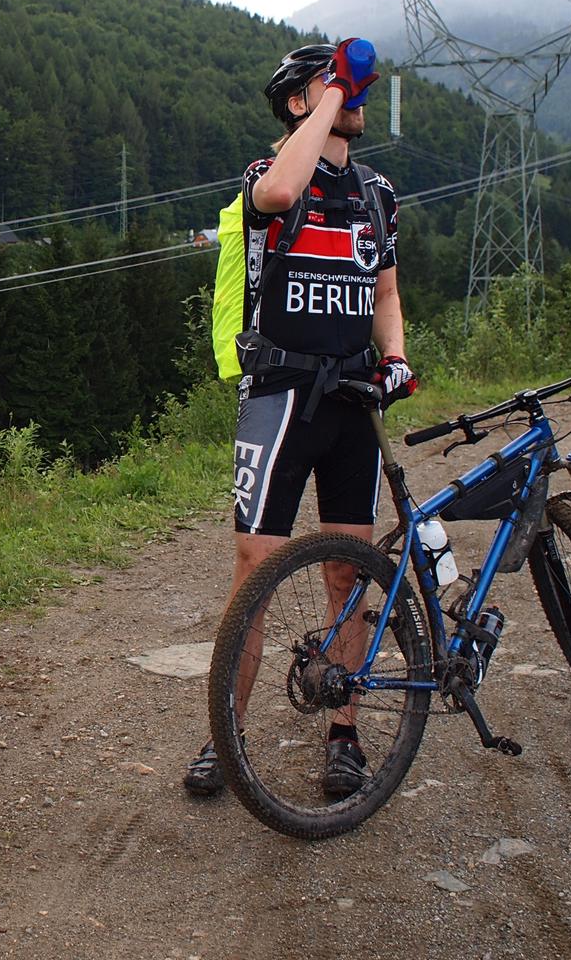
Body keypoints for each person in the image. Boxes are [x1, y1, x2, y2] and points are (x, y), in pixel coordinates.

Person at [186, 40, 416, 800]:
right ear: (296, 102)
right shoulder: (268, 173)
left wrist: (395, 354)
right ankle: (226, 735)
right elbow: (282, 190)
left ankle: (345, 732)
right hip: (280, 396)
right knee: (256, 571)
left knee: (350, 570)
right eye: (328, 83)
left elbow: (386, 293)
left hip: (353, 399)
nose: (351, 93)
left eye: (348, 86)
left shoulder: (378, 193)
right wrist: (330, 97)